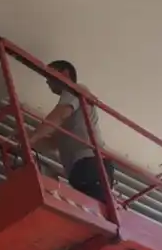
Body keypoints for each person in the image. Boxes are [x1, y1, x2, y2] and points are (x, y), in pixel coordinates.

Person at [27, 59, 115, 204]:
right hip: (83, 168)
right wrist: (27, 138)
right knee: (88, 212)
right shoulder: (69, 118)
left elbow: (59, 114)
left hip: (91, 163)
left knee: (90, 211)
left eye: (49, 75)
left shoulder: (76, 89)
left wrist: (33, 137)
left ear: (65, 74)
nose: (47, 81)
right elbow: (52, 143)